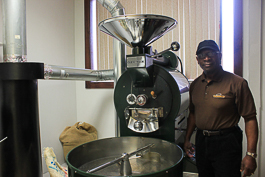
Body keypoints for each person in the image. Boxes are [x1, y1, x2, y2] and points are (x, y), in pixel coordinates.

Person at [183, 40, 259, 177]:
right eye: (202, 55)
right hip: (201, 141)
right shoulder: (195, 85)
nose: (207, 58)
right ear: (197, 60)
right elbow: (193, 114)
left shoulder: (237, 83)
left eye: (211, 53)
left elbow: (250, 118)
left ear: (220, 56)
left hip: (226, 142)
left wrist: (250, 155)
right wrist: (187, 139)